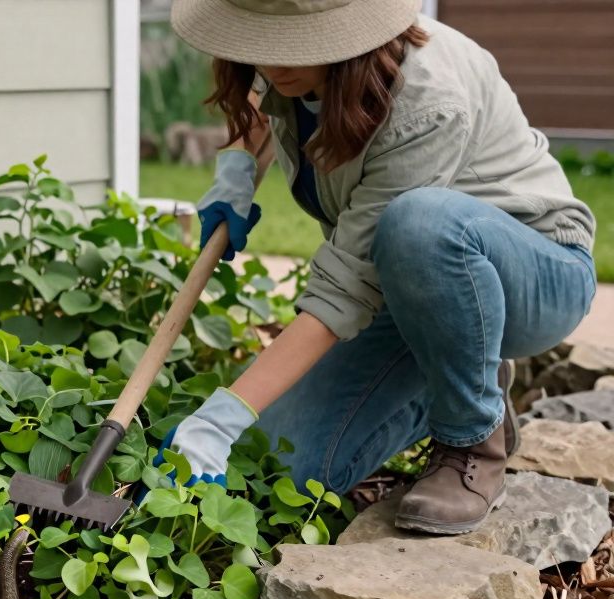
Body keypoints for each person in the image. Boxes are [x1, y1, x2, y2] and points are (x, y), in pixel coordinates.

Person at [161, 0, 597, 534]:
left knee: (418, 223)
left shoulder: (425, 100)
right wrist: (234, 172)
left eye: (294, 42)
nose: (273, 63)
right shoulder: (294, 68)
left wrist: (222, 417)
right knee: (273, 468)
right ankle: (457, 365)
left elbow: (345, 288)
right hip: (402, 287)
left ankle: (471, 441)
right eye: (261, 42)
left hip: (532, 273)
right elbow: (260, 97)